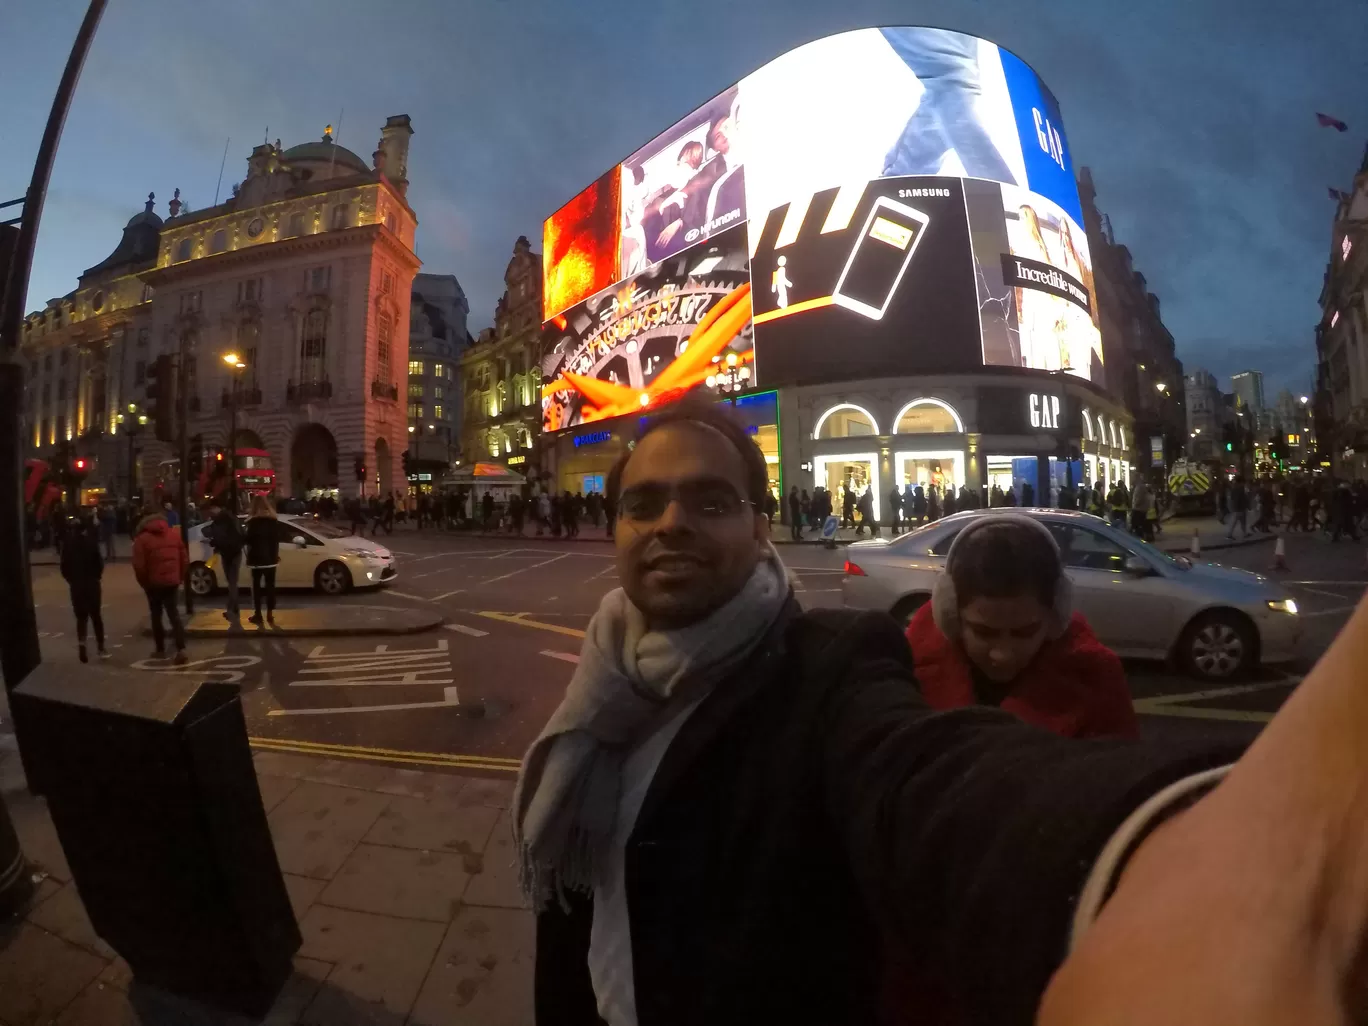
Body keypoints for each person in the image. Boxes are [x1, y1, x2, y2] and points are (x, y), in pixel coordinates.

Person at [520, 395, 1368, 1025]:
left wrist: (1170, 856)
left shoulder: (832, 667)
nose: (670, 523)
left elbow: (936, 782)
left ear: (762, 526)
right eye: (642, 503)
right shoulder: (600, 691)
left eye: (711, 502)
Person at [905, 515, 1138, 739]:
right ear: (951, 616)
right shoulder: (908, 676)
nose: (1003, 655)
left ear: (1056, 616)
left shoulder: (1097, 682)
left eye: (1024, 633)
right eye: (984, 633)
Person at [131, 506, 187, 664]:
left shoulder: (141, 539)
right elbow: (184, 558)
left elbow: (139, 565)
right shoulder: (173, 535)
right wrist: (179, 577)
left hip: (153, 583)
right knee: (174, 615)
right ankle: (181, 648)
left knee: (156, 615)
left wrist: (144, 583)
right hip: (172, 581)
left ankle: (160, 649)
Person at [60, 511, 107, 663]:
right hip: (91, 583)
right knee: (96, 616)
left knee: (81, 617)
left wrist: (71, 580)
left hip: (77, 584)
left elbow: (64, 567)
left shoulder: (68, 545)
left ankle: (82, 645)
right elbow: (99, 563)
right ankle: (101, 646)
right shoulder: (91, 543)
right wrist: (96, 576)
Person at [206, 498, 245, 626]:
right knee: (232, 582)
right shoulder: (231, 518)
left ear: (217, 508)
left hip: (228, 553)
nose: (211, 511)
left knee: (232, 582)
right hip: (235, 552)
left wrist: (214, 543)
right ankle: (235, 608)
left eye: (212, 508)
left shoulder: (220, 521)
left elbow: (220, 537)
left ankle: (230, 609)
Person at [244, 494, 280, 627]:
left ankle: (258, 614)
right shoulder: (273, 521)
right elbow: (276, 540)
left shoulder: (252, 522)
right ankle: (270, 613)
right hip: (271, 559)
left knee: (257, 587)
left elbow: (247, 540)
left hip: (256, 559)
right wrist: (275, 555)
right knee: (270, 586)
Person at [1226, 475, 1249, 540]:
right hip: (1239, 508)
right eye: (1243, 482)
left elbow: (1233, 498)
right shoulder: (1239, 489)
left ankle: (1244, 533)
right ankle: (1229, 534)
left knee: (1242, 521)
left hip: (1239, 508)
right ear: (1241, 482)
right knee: (1235, 521)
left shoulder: (1235, 488)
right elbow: (1239, 499)